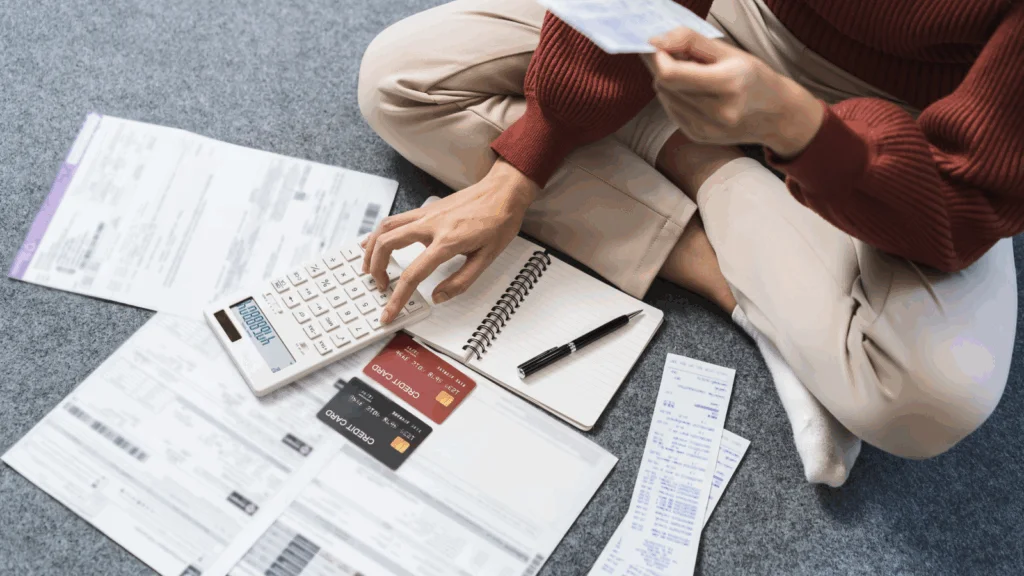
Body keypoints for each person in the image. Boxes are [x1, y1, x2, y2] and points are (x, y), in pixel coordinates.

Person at [356, 0, 1022, 485]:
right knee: (399, 78)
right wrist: (520, 167)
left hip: (920, 121)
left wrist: (810, 137)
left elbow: (967, 205)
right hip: (735, 16)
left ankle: (692, 159)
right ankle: (743, 281)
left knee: (931, 401)